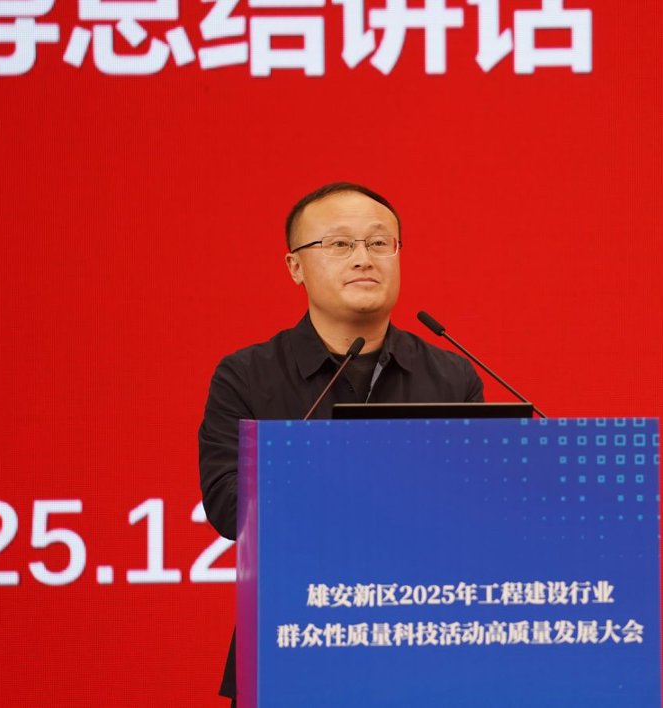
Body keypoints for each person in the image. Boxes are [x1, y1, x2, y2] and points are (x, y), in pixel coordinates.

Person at [197, 182, 484, 704]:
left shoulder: (451, 377)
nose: (363, 259)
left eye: (379, 243)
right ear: (295, 266)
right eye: (339, 244)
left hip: (424, 647)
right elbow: (227, 504)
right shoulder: (247, 375)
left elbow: (475, 510)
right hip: (294, 643)